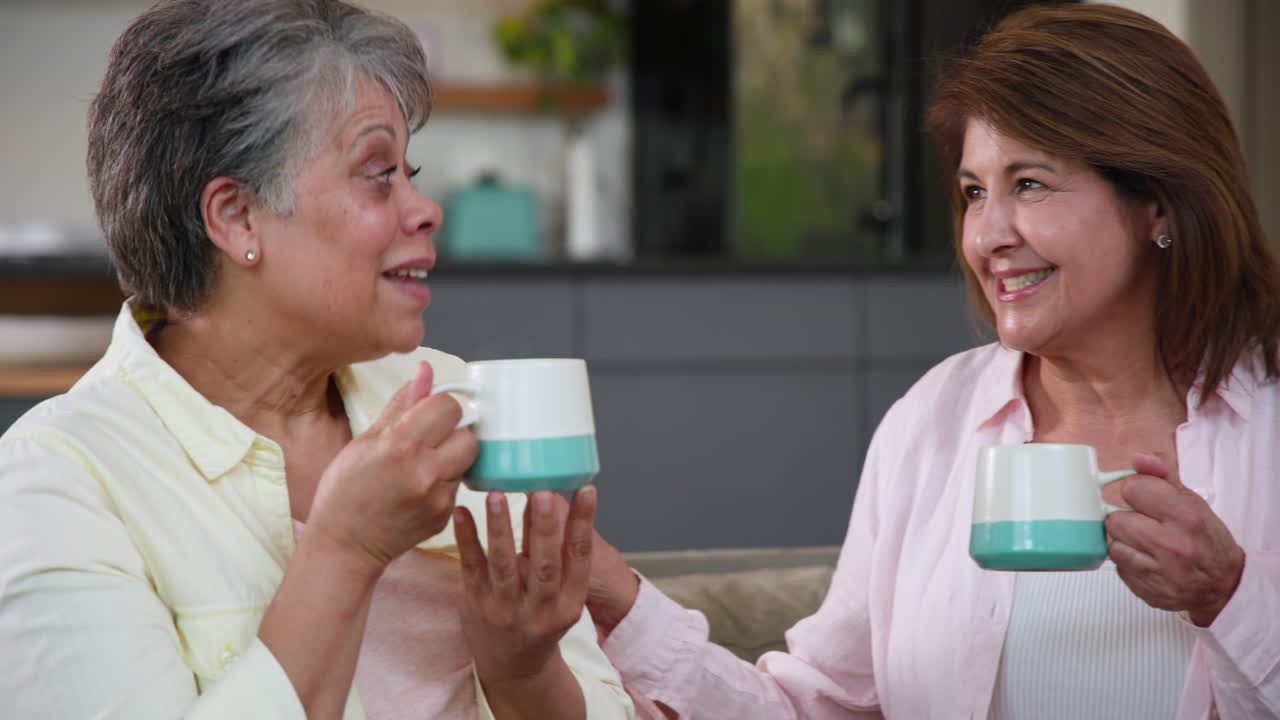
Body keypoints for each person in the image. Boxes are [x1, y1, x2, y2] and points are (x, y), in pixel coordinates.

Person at [584, 4, 1280, 719]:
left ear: (1158, 204)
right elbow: (815, 707)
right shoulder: (935, 421)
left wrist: (1227, 596)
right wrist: (621, 598)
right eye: (975, 192)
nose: (988, 237)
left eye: (1029, 184)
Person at [0, 1, 633, 718]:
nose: (426, 209)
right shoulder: (56, 484)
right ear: (236, 216)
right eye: (378, 172)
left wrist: (523, 674)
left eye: (409, 171)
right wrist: (345, 550)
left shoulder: (448, 400)